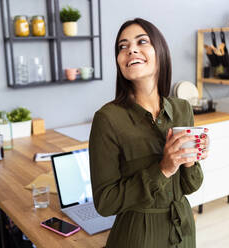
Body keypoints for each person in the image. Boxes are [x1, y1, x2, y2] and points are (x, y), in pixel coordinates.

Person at [89, 18, 209, 248]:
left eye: (141, 41)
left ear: (160, 51)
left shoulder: (183, 109)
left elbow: (190, 186)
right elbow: (105, 203)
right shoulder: (107, 119)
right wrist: (163, 169)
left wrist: (189, 162)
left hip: (183, 231)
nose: (131, 49)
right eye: (122, 46)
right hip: (138, 236)